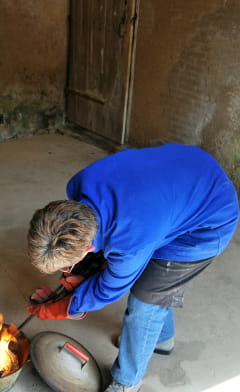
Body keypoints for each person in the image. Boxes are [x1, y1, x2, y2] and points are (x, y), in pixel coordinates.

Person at [26, 143, 239, 392]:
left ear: (85, 249)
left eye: (69, 263)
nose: (68, 268)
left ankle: (127, 382)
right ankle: (162, 338)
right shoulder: (81, 183)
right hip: (186, 173)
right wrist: (80, 273)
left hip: (209, 220)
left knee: (146, 299)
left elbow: (109, 289)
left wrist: (71, 305)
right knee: (149, 280)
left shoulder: (132, 239)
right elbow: (102, 245)